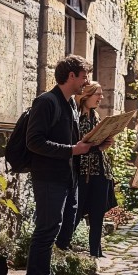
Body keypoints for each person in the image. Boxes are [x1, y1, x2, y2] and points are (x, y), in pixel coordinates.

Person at [23, 55, 106, 275]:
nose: (86, 82)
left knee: (53, 230)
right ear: (71, 76)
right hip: (48, 177)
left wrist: (97, 145)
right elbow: (34, 141)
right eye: (84, 76)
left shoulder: (69, 103)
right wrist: (73, 149)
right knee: (46, 231)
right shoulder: (46, 102)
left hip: (65, 177)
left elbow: (76, 147)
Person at [58, 81, 117, 259]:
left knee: (98, 213)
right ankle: (61, 246)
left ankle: (96, 251)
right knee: (76, 213)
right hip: (83, 173)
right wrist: (96, 146)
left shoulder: (96, 116)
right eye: (97, 94)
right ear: (86, 96)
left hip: (100, 171)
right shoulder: (76, 117)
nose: (101, 98)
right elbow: (76, 146)